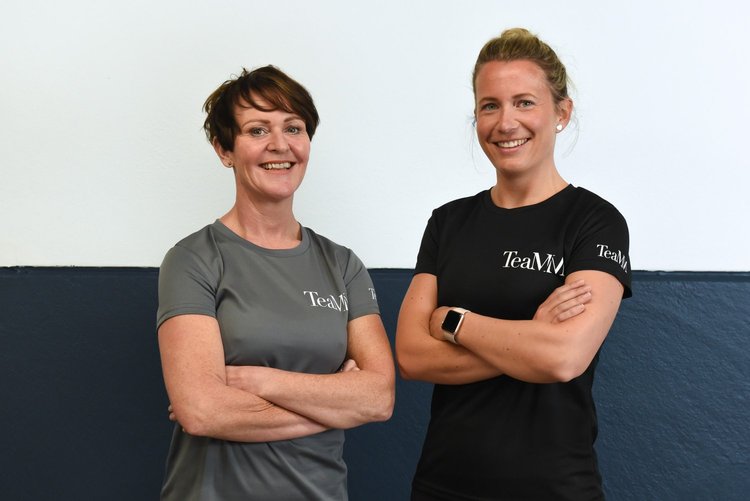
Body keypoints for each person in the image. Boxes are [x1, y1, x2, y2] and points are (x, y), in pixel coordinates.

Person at [395, 28, 631, 500]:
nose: (506, 122)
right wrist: (531, 338)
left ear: (561, 112)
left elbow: (563, 358)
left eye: (524, 102)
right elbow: (412, 356)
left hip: (555, 488)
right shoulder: (448, 222)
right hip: (443, 486)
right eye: (490, 105)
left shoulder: (595, 222)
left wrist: (454, 322)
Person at [156, 65, 395, 500]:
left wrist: (257, 380)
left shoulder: (342, 265)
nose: (280, 145)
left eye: (293, 128)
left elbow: (379, 398)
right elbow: (202, 412)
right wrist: (336, 406)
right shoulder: (193, 259)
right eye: (257, 130)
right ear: (224, 149)